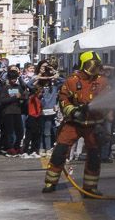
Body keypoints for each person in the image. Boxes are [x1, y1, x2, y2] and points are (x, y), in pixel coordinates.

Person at [44, 50, 110, 195]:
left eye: (96, 66)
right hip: (73, 123)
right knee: (59, 152)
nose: (93, 69)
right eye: (90, 65)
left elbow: (108, 102)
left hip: (93, 125)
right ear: (82, 65)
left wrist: (99, 112)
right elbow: (63, 99)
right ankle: (50, 182)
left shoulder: (102, 82)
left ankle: (90, 187)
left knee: (93, 156)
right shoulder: (72, 81)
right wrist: (73, 110)